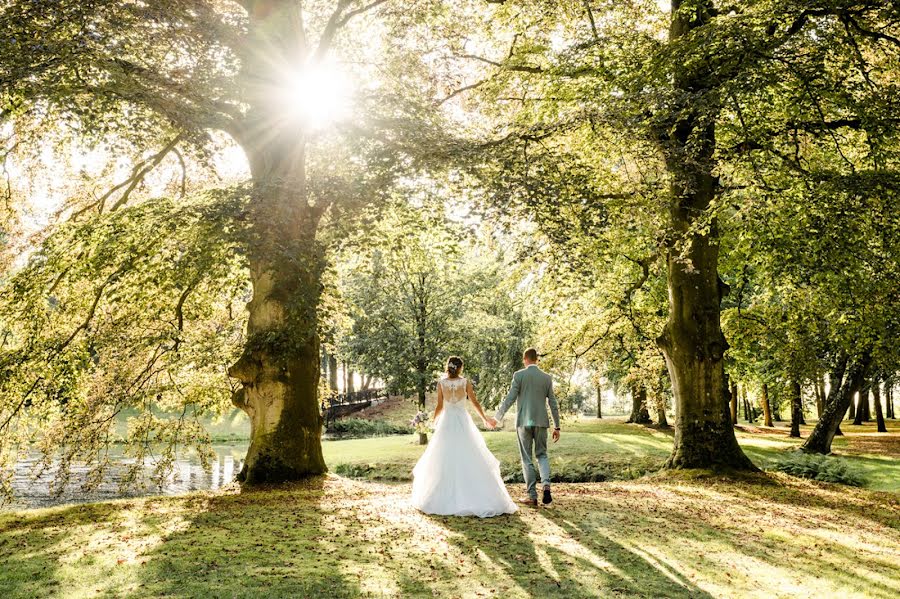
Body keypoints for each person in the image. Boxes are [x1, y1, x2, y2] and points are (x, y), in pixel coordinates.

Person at [411, 356, 517, 517]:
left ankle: (441, 497)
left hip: (447, 423)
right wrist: (484, 419)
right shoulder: (464, 382)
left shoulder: (442, 383)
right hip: (462, 422)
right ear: (460, 368)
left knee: (444, 457)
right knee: (469, 454)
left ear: (449, 367)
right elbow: (474, 402)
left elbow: (439, 406)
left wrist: (434, 422)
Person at [488, 348, 560, 507]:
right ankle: (546, 485)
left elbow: (510, 398)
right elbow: (553, 404)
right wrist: (557, 426)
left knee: (527, 458)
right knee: (542, 455)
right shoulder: (546, 378)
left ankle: (532, 495)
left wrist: (497, 417)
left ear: (525, 359)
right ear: (537, 360)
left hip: (523, 422)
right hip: (542, 422)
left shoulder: (519, 375)